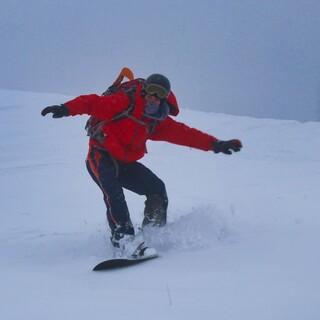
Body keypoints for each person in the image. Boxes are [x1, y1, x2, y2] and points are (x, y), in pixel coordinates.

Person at [41, 70, 242, 254]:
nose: (153, 97)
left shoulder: (156, 121)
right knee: (114, 195)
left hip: (126, 163)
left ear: (165, 98)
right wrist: (65, 109)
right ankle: (124, 242)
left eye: (159, 94)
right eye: (150, 91)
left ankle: (151, 236)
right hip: (100, 156)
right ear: (144, 90)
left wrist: (216, 144)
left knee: (157, 189)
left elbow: (186, 135)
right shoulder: (124, 103)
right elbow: (91, 103)